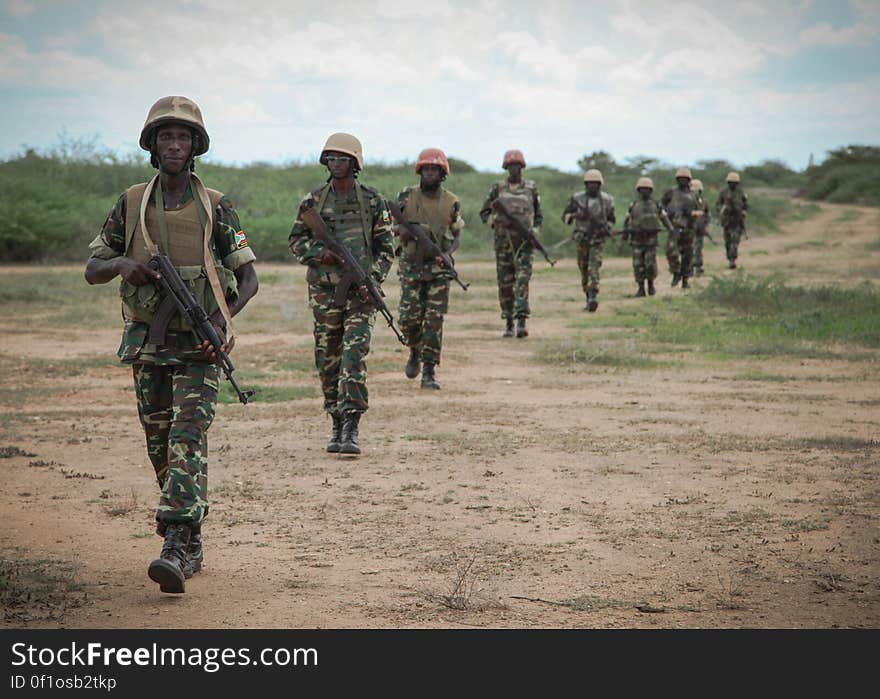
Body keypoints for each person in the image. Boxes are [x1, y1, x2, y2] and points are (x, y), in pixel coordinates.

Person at [84, 96, 259, 594]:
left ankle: (176, 543)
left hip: (201, 347)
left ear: (196, 145)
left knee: (187, 437)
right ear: (153, 145)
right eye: (166, 136)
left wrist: (222, 325)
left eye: (183, 136)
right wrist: (121, 265)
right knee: (159, 444)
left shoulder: (215, 205)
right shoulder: (132, 201)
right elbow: (93, 267)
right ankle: (192, 532)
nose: (175, 145)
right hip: (147, 344)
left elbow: (248, 278)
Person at [288, 133, 394, 455]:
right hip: (324, 293)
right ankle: (334, 419)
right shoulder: (313, 202)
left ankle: (351, 424)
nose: (336, 164)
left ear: (354, 163)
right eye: (331, 158)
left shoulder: (373, 201)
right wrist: (319, 254)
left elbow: (386, 250)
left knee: (353, 357)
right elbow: (296, 241)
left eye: (342, 158)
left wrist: (370, 280)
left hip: (361, 295)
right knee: (328, 359)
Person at [394, 148, 464, 390]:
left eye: (434, 170)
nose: (430, 174)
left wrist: (447, 254)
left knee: (434, 321)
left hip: (438, 269)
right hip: (411, 266)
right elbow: (389, 225)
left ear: (442, 173)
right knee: (408, 319)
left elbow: (457, 236)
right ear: (419, 172)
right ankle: (414, 350)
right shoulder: (406, 196)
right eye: (426, 170)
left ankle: (429, 371)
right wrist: (405, 230)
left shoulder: (451, 202)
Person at [479, 150, 543, 338]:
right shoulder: (497, 188)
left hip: (524, 243)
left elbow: (539, 215)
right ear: (506, 168)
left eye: (517, 166)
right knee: (505, 283)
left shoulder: (531, 189)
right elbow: (484, 212)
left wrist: (534, 231)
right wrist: (495, 222)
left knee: (522, 281)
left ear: (521, 167)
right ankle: (508, 321)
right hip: (503, 243)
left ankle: (521, 321)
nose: (514, 169)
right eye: (510, 166)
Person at [561, 169, 615, 311]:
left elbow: (611, 219)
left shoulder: (607, 200)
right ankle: (587, 296)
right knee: (583, 268)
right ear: (585, 184)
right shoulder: (577, 199)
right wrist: (575, 216)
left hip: (597, 239)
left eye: (595, 183)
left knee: (594, 267)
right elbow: (565, 216)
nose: (593, 186)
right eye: (590, 183)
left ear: (600, 184)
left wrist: (606, 228)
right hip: (582, 238)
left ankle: (593, 296)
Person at [622, 177, 673, 297]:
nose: (645, 191)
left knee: (650, 264)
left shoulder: (656, 205)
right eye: (642, 189)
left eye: (647, 189)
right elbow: (627, 220)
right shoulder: (633, 205)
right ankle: (640, 288)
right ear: (638, 190)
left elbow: (664, 217)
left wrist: (670, 228)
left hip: (651, 240)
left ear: (651, 191)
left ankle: (650, 285)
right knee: (638, 265)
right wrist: (625, 234)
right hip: (637, 240)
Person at [661, 167, 700, 289]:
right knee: (671, 252)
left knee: (687, 255)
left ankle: (685, 279)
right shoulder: (671, 193)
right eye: (680, 179)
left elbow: (699, 211)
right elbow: (661, 205)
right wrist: (666, 217)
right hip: (674, 227)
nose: (682, 181)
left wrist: (693, 216)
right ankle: (676, 273)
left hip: (688, 228)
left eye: (685, 179)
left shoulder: (693, 195)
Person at [716, 171, 749, 269]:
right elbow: (718, 205)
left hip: (737, 220)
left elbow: (746, 205)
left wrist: (743, 211)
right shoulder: (723, 192)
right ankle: (729, 257)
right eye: (730, 182)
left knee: (735, 241)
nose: (732, 184)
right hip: (727, 220)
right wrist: (723, 210)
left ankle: (732, 260)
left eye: (734, 183)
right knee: (728, 241)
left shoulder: (741, 192)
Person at [690, 179, 711, 277]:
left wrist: (704, 224)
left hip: (699, 228)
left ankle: (697, 267)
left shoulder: (703, 201)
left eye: (696, 191)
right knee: (690, 248)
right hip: (689, 228)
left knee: (698, 247)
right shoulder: (687, 200)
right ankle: (691, 267)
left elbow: (707, 215)